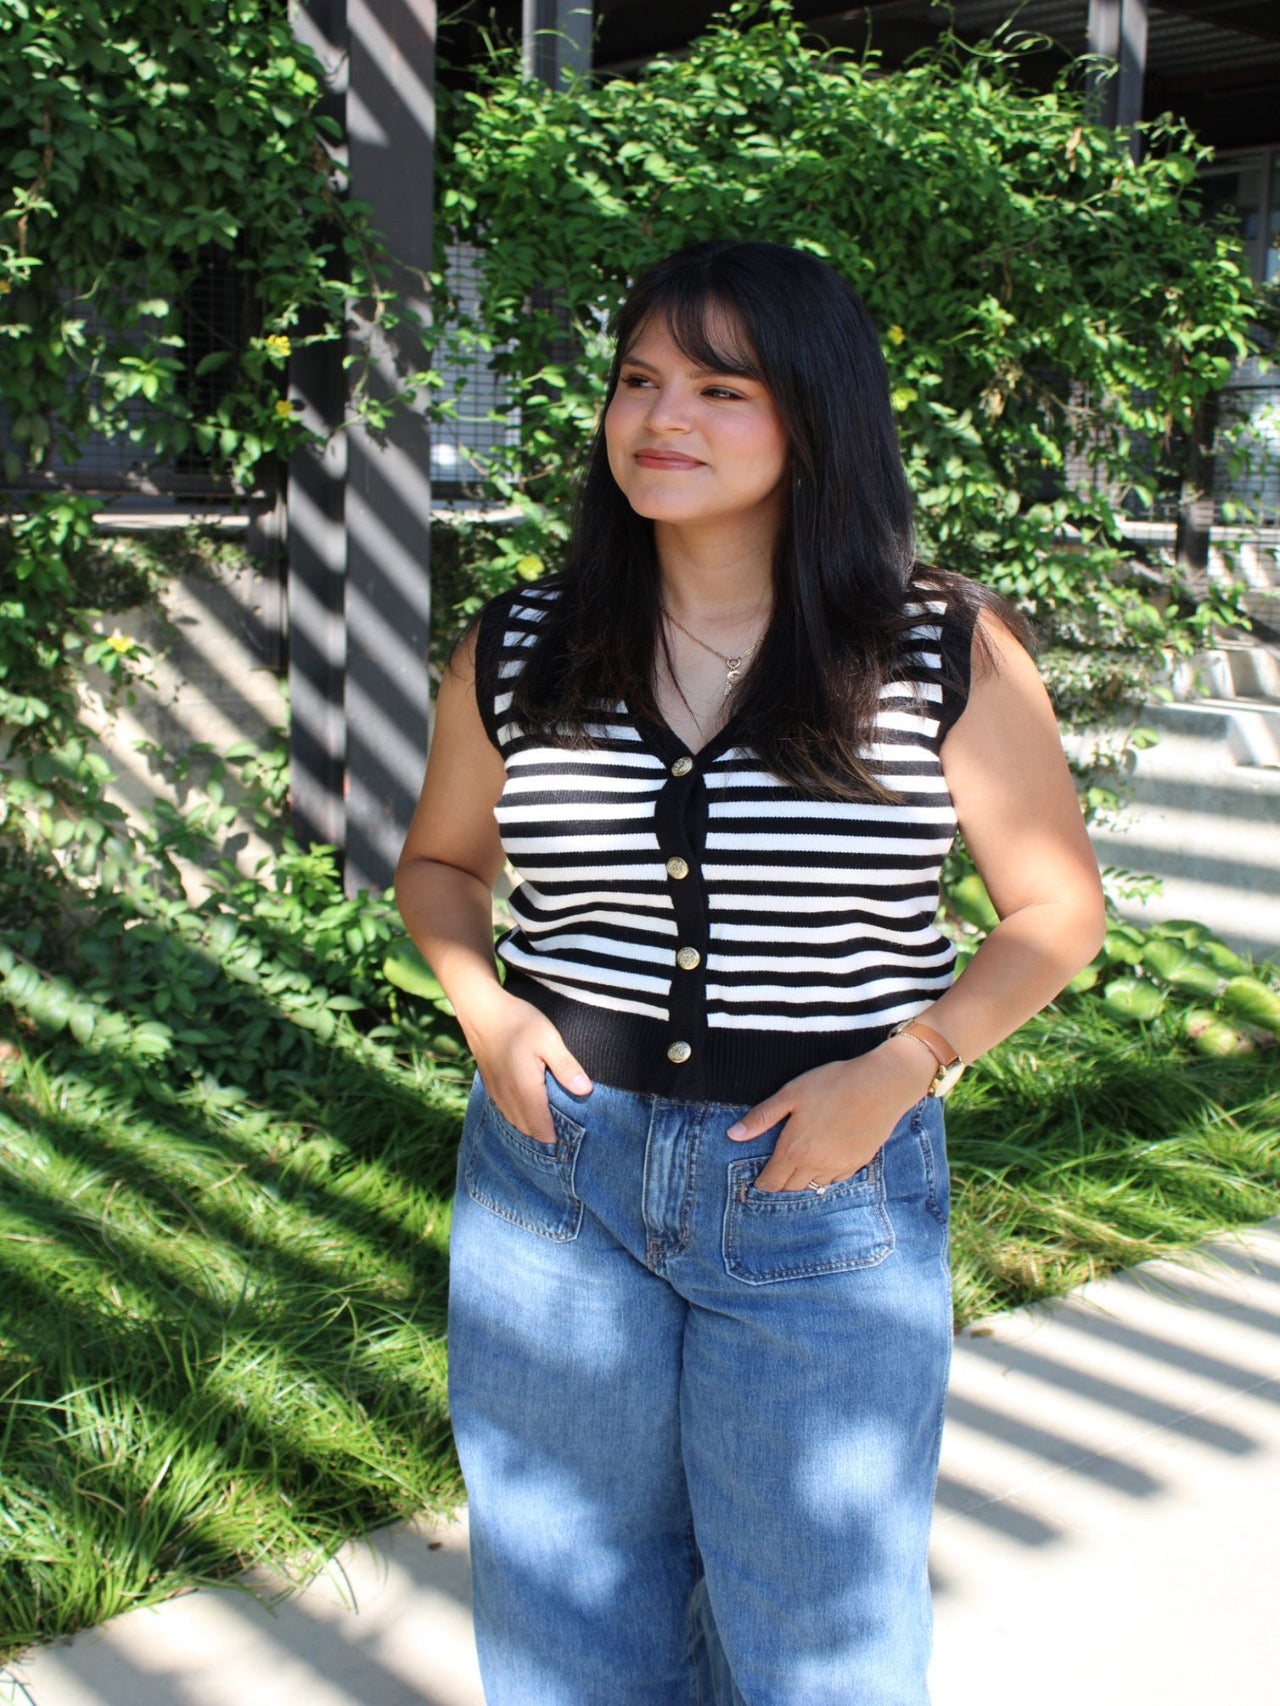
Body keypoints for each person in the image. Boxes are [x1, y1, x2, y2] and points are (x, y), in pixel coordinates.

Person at [395, 240, 1106, 1706]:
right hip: (555, 1183)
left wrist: (908, 1063)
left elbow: (1054, 909)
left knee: (819, 1647)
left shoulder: (933, 645)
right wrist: (486, 1008)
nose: (665, 416)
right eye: (641, 379)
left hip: (822, 1183)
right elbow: (441, 869)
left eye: (722, 387)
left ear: (814, 418)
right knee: (565, 1626)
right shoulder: (524, 644)